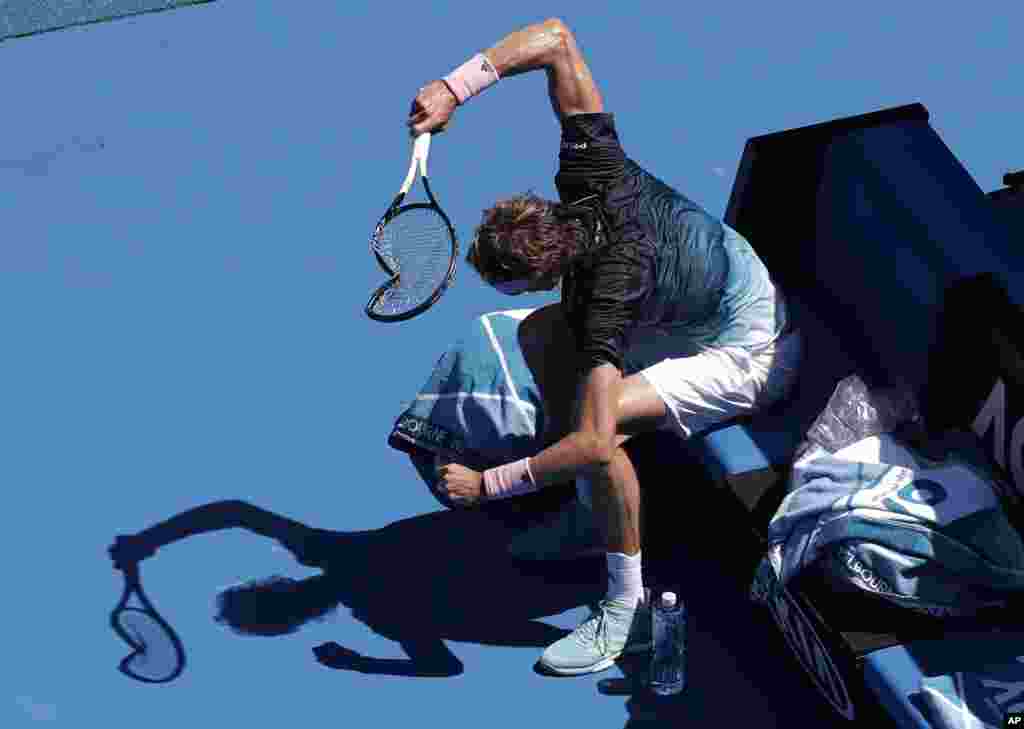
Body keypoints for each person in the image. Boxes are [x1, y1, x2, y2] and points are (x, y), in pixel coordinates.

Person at [407, 17, 802, 677]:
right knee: (539, 339)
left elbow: (592, 441)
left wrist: (488, 483)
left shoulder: (602, 306)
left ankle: (627, 611)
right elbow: (555, 37)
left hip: (753, 351)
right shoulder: (593, 169)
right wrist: (453, 87)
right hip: (714, 287)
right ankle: (591, 508)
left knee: (602, 427)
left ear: (540, 271)